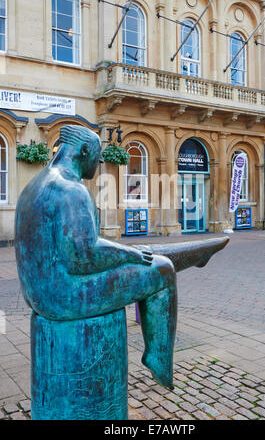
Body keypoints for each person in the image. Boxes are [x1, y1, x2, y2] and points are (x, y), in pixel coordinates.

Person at [15, 124, 177, 390]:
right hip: (63, 296)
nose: (100, 161)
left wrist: (126, 255)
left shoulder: (36, 184)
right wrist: (133, 254)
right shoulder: (71, 189)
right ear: (84, 150)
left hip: (38, 293)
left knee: (149, 264)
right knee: (163, 270)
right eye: (97, 154)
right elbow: (83, 255)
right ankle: (158, 359)